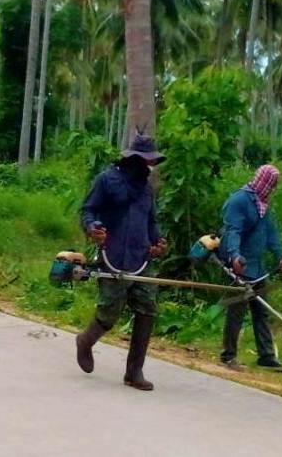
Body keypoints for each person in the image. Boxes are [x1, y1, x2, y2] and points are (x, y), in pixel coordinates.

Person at [74, 132, 169, 391]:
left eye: (149, 162)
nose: (146, 167)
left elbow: (151, 221)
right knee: (109, 312)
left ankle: (134, 371)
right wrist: (93, 227)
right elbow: (88, 210)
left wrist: (157, 242)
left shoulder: (147, 189)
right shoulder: (107, 180)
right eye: (142, 161)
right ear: (130, 159)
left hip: (140, 259)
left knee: (147, 309)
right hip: (112, 255)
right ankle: (85, 341)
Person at [219, 163, 282, 373]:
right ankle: (228, 355)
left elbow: (271, 234)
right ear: (264, 182)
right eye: (272, 185)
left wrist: (281, 255)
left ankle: (266, 356)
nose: (273, 190)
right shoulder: (240, 201)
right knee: (236, 312)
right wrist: (235, 256)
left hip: (258, 269)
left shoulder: (264, 205)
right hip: (241, 267)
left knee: (262, 312)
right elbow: (233, 230)